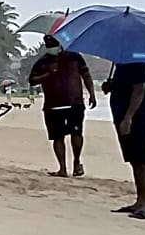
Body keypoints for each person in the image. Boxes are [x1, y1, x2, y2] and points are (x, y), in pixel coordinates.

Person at [28, 34, 95, 177]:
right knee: (58, 137)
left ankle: (77, 163)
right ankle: (62, 168)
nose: (52, 48)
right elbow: (32, 80)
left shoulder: (74, 57)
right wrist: (47, 75)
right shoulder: (43, 62)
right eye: (49, 46)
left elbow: (86, 75)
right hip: (53, 105)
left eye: (54, 46)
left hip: (74, 103)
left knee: (76, 133)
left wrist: (92, 93)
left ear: (60, 45)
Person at [106, 61, 145, 219]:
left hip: (138, 119)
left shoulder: (138, 64)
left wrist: (128, 118)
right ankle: (139, 201)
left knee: (142, 160)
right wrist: (110, 86)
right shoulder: (120, 65)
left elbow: (139, 90)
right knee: (135, 160)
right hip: (122, 116)